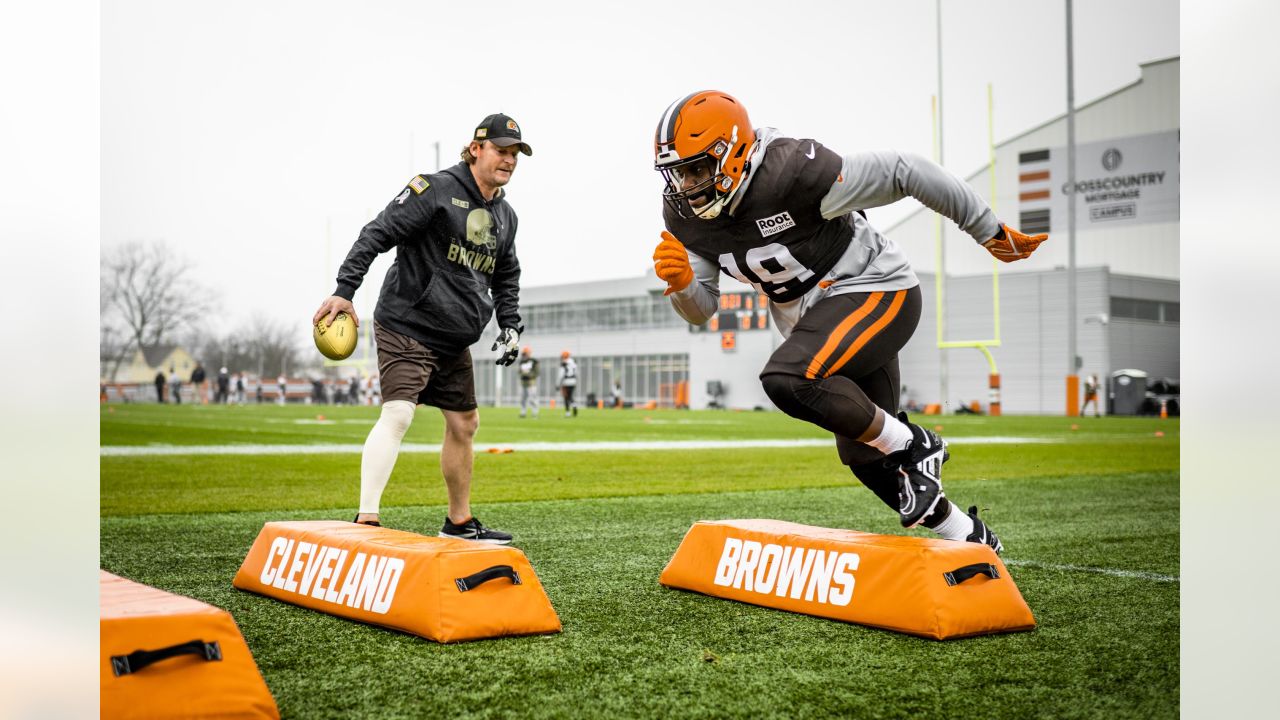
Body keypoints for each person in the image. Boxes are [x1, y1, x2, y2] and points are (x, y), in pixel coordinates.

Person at [651, 91, 1049, 553]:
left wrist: (986, 229)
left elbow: (906, 170)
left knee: (786, 378)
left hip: (876, 290)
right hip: (827, 322)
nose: (685, 185)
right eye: (677, 172)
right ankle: (968, 535)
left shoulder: (792, 174)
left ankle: (917, 443)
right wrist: (682, 284)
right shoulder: (687, 217)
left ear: (734, 151)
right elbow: (702, 310)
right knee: (864, 455)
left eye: (696, 168)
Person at [312, 112, 531, 544]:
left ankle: (459, 523)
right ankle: (367, 518)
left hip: (454, 337)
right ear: (475, 149)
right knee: (398, 413)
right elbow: (376, 233)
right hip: (408, 323)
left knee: (465, 424)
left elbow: (506, 275)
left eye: (514, 154)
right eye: (501, 150)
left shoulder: (506, 216)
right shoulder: (434, 189)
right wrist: (344, 291)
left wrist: (510, 325)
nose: (508, 160)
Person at [517, 346, 540, 419]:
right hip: (523, 382)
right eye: (524, 354)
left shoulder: (534, 361)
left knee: (533, 398)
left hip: (531, 382)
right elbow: (519, 371)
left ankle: (535, 412)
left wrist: (529, 374)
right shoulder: (522, 362)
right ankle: (523, 412)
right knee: (523, 399)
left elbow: (537, 372)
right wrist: (523, 374)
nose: (524, 355)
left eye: (525, 353)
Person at [557, 350, 578, 418]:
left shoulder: (564, 363)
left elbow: (561, 374)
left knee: (566, 397)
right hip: (573, 381)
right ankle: (574, 405)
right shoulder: (574, 362)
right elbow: (577, 372)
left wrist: (558, 384)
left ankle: (568, 413)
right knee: (571, 396)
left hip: (566, 381)